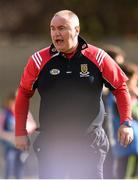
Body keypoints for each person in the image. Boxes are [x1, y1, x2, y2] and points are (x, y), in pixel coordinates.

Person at [15, 10, 133, 179]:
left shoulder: (97, 57)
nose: (56, 33)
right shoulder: (38, 60)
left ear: (77, 30)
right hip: (53, 142)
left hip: (90, 142)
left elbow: (121, 88)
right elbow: (24, 93)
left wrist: (126, 122)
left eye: (62, 28)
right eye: (53, 28)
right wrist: (20, 131)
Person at [0, 92, 37, 179]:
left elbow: (33, 125)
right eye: (13, 101)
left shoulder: (25, 112)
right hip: (10, 146)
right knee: (9, 165)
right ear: (9, 102)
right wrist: (11, 136)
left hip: (21, 146)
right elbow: (1, 131)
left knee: (19, 169)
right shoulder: (5, 114)